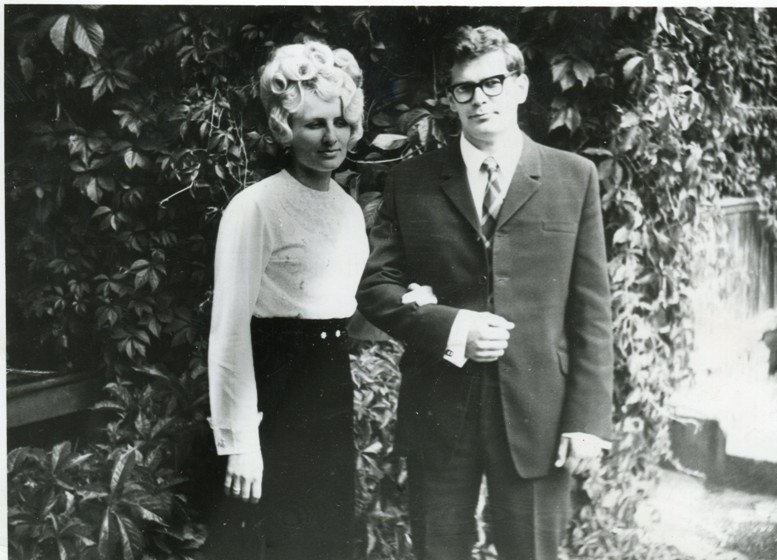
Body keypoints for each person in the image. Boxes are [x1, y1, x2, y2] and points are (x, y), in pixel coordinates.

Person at [357, 25, 614, 560]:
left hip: (539, 414)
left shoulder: (574, 178)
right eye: (464, 88)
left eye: (493, 83)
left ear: (520, 86)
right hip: (439, 407)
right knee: (438, 550)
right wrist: (455, 328)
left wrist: (587, 422)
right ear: (451, 99)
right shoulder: (412, 182)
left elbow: (592, 311)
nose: (480, 99)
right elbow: (376, 286)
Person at [203, 40, 369, 560]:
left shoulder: (348, 210)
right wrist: (240, 442)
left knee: (327, 539)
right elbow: (229, 330)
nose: (331, 137)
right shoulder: (256, 206)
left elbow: (343, 308)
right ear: (284, 128)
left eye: (341, 122)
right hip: (274, 389)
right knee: (274, 539)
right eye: (314, 124)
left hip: (330, 386)